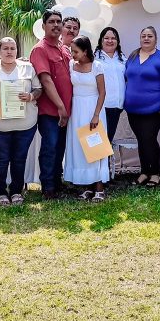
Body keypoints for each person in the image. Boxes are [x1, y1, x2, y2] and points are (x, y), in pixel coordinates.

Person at [0, 38, 41, 206]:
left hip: (25, 124)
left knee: (19, 158)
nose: (9, 52)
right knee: (0, 159)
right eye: (5, 48)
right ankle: (0, 192)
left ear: (17, 51)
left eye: (13, 48)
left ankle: (16, 191)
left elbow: (39, 88)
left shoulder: (28, 67)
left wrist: (31, 96)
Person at [123, 26, 160, 186]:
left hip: (154, 108)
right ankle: (144, 172)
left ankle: (155, 173)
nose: (146, 38)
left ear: (156, 39)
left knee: (149, 139)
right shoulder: (133, 56)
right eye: (143, 36)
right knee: (142, 140)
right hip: (132, 109)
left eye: (150, 36)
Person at [30, 10, 73, 199]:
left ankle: (57, 182)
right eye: (51, 22)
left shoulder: (64, 48)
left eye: (58, 22)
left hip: (66, 111)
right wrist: (61, 107)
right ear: (43, 26)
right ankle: (48, 187)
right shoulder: (40, 49)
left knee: (60, 147)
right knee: (50, 147)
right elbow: (46, 81)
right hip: (50, 111)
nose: (56, 25)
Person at [65, 35, 109, 201]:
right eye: (71, 51)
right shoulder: (71, 65)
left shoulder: (97, 66)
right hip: (77, 109)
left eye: (75, 51)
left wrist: (96, 115)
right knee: (80, 147)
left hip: (93, 109)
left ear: (85, 51)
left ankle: (99, 187)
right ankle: (87, 186)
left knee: (95, 146)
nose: (73, 54)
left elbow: (102, 92)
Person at [95, 27, 126, 143]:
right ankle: (102, 162)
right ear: (101, 40)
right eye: (106, 38)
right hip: (102, 106)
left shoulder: (122, 59)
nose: (110, 41)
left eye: (113, 38)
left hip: (117, 106)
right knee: (99, 142)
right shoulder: (95, 58)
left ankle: (106, 162)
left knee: (108, 140)